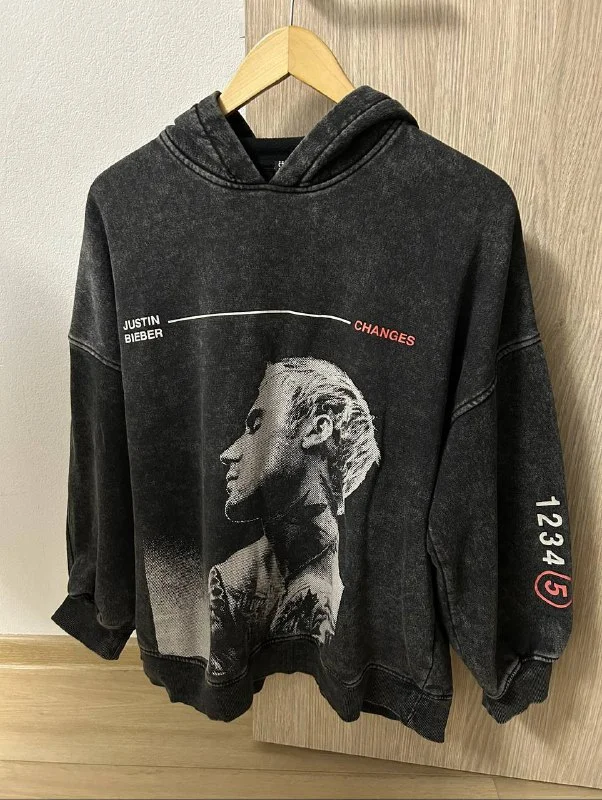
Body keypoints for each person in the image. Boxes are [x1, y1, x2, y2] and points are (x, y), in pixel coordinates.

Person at [207, 356, 380, 679]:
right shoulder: (232, 582)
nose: (228, 453)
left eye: (256, 426)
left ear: (317, 429)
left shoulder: (368, 578)